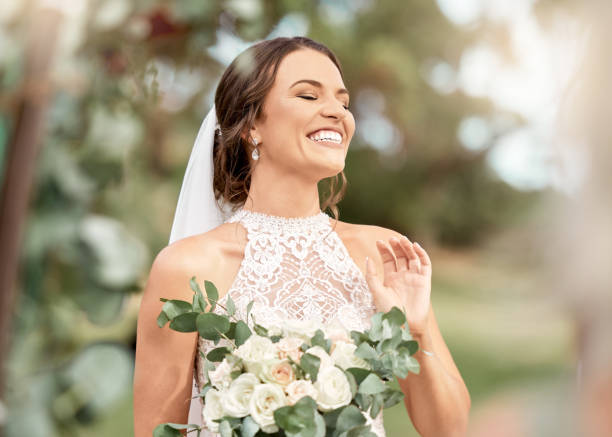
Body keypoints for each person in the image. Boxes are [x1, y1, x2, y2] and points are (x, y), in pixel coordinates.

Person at [133, 36, 470, 437]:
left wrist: (413, 331)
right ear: (251, 123)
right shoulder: (187, 268)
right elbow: (159, 431)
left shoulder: (382, 254)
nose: (337, 113)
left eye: (344, 103)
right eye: (309, 96)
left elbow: (449, 429)